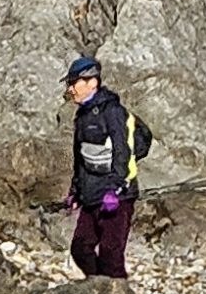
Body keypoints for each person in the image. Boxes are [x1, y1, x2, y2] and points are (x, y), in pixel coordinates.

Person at [61, 55, 148, 281]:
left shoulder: (113, 112)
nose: (70, 89)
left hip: (116, 196)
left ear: (92, 82)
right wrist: (75, 191)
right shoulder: (82, 116)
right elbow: (79, 157)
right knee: (80, 248)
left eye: (74, 83)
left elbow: (122, 152)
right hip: (91, 195)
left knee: (111, 254)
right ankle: (100, 287)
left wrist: (117, 189)